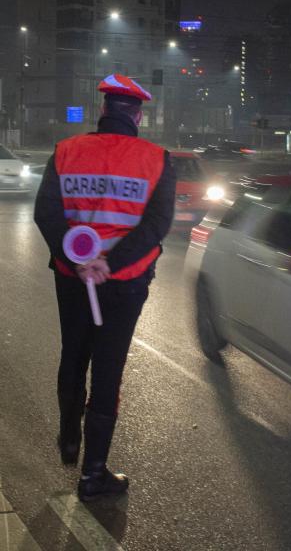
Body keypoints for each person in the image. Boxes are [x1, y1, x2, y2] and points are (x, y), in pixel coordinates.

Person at [34, 74, 176, 502]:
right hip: (124, 283)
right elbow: (156, 226)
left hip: (72, 278)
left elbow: (47, 213)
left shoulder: (66, 151)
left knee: (73, 354)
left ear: (103, 110)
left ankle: (68, 437)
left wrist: (79, 260)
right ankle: (93, 474)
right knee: (108, 368)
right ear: (137, 115)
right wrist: (108, 263)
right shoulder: (157, 159)